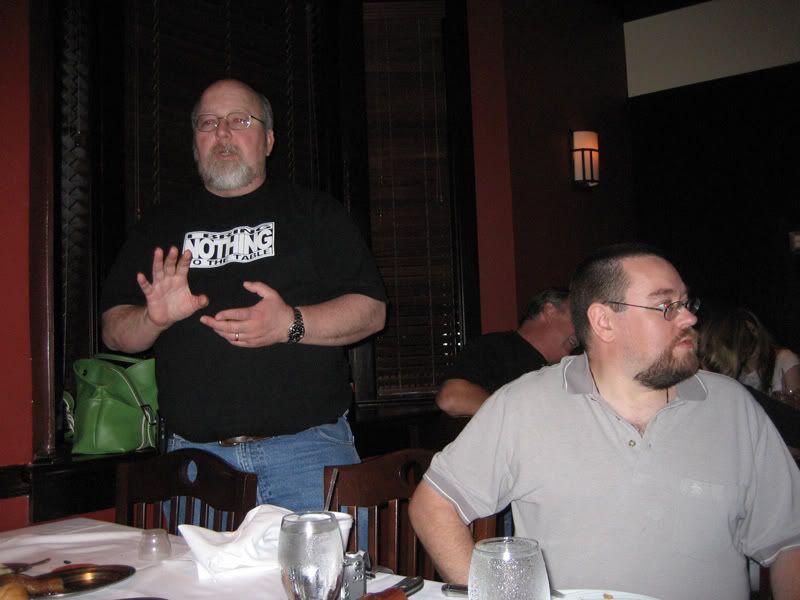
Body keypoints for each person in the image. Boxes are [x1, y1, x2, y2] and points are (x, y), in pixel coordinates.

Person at [409, 243, 800, 600]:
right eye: (666, 306)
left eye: (686, 302)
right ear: (604, 321)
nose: (689, 317)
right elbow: (433, 506)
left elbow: (790, 540)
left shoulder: (731, 406)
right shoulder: (525, 403)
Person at [100, 79, 387, 512]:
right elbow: (114, 332)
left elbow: (371, 312)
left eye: (239, 120)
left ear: (268, 140)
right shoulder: (159, 226)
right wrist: (153, 318)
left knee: (324, 563)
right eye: (208, 123)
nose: (222, 132)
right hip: (195, 466)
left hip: (309, 455)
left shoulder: (315, 213)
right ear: (195, 144)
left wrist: (289, 324)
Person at [435, 287, 577, 417]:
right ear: (550, 310)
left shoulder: (569, 371)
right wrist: (523, 418)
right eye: (578, 318)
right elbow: (452, 397)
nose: (582, 330)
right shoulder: (494, 347)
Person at [699, 306, 800, 448]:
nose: (752, 340)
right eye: (746, 336)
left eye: (753, 331)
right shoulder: (730, 386)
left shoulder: (783, 358)